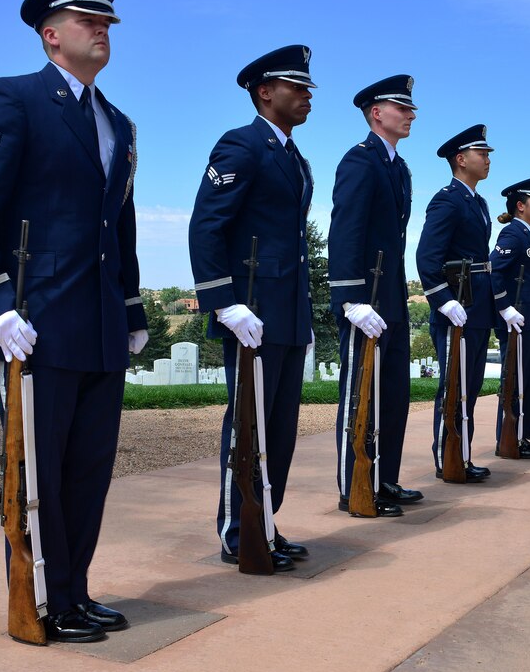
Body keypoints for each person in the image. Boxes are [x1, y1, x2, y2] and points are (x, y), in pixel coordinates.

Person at [0, 0, 147, 643]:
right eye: (88, 21)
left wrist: (133, 309)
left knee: (87, 470)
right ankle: (33, 596)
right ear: (50, 34)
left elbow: (117, 227)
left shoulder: (116, 123)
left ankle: (72, 591)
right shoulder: (13, 99)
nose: (102, 30)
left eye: (108, 23)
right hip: (34, 325)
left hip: (96, 325)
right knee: (35, 471)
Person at [188, 45, 316, 570]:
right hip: (253, 313)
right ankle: (237, 530)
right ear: (266, 91)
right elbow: (206, 227)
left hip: (286, 311)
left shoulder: (293, 157)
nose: (308, 96)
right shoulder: (241, 145)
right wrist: (224, 303)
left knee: (280, 429)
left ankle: (265, 521)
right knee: (249, 425)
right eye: (297, 87)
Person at [329, 75, 423, 517]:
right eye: (400, 107)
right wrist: (351, 298)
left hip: (391, 296)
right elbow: (346, 231)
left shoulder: (398, 167)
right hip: (365, 298)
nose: (410, 114)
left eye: (411, 108)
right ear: (375, 113)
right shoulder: (359, 161)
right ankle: (355, 485)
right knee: (360, 393)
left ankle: (384, 478)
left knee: (393, 392)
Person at [416, 125, 496, 484]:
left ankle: (461, 455)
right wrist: (442, 300)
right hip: (456, 304)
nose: (488, 160)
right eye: (482, 154)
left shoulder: (478, 202)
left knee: (472, 385)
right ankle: (445, 457)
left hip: (476, 304)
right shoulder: (447, 200)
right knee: (454, 385)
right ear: (461, 160)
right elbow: (427, 256)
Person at [490, 178, 530, 459]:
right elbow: (495, 272)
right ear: (521, 206)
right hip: (516, 320)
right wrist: (504, 307)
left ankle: (521, 436)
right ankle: (508, 438)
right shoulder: (512, 234)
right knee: (515, 380)